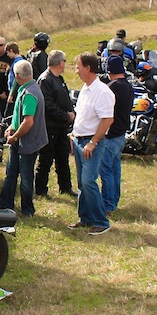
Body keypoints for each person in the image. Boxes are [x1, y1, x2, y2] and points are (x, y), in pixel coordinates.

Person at [67, 52, 114, 235]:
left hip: (91, 143)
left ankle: (102, 221)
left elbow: (107, 120)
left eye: (78, 67)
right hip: (79, 140)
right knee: (81, 182)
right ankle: (85, 218)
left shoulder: (102, 92)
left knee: (88, 181)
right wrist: (74, 135)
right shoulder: (85, 89)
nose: (76, 71)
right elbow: (83, 116)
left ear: (88, 68)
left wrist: (93, 142)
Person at [0, 60, 48, 217]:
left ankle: (27, 210)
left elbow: (28, 122)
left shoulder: (29, 94)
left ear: (17, 76)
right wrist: (11, 127)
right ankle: (6, 203)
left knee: (26, 177)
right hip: (21, 141)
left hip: (27, 143)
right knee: (11, 173)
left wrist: (14, 137)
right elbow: (19, 116)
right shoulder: (25, 89)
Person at [35, 50, 76, 197]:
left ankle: (65, 187)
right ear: (60, 63)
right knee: (46, 159)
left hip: (61, 127)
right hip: (49, 127)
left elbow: (65, 99)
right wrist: (65, 115)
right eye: (64, 61)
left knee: (62, 158)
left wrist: (70, 112)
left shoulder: (59, 79)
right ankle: (41, 190)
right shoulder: (45, 80)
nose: (65, 64)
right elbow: (47, 104)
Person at [102, 55, 133, 214]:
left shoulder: (113, 87)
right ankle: (114, 201)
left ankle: (107, 204)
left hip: (110, 135)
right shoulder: (127, 85)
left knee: (105, 170)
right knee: (115, 169)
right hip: (121, 134)